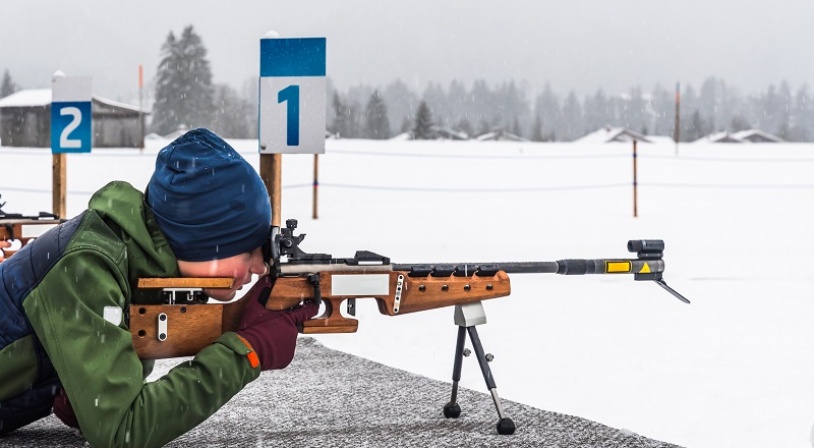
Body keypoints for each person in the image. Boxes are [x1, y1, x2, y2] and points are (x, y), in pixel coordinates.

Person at [0, 128, 318, 447]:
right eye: (248, 250)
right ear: (205, 243)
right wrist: (246, 353)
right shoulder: (88, 266)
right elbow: (123, 432)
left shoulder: (136, 265)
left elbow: (116, 404)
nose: (259, 267)